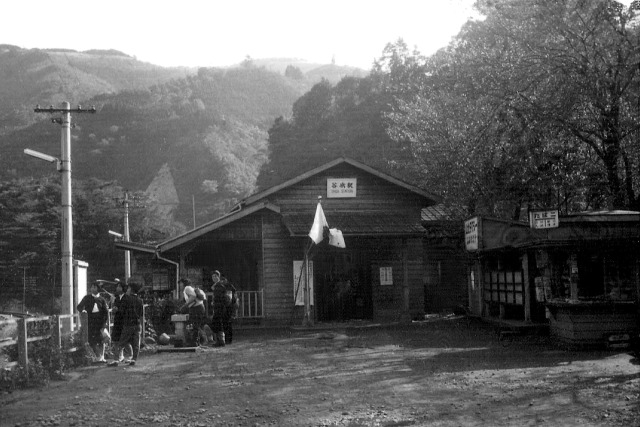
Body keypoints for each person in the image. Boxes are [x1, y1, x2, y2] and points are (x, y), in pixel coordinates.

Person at [108, 282, 144, 366]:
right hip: (137, 324)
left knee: (121, 342)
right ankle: (134, 359)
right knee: (136, 343)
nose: (126, 290)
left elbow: (121, 310)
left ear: (130, 289)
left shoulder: (127, 299)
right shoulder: (140, 300)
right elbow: (141, 314)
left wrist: (115, 307)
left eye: (128, 288)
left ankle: (116, 359)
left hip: (128, 324)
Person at [77, 281, 109, 363]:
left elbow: (106, 312)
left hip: (100, 322)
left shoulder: (102, 300)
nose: (92, 289)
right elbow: (79, 307)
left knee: (102, 339)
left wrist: (105, 323)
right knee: (92, 341)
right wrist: (83, 311)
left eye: (94, 287)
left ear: (98, 289)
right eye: (92, 287)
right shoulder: (87, 298)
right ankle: (98, 356)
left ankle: (102, 357)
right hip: (91, 322)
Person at [179, 278, 207, 346]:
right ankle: (196, 341)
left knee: (195, 325)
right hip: (199, 307)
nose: (180, 285)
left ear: (184, 283)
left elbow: (193, 296)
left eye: (180, 283)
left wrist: (185, 305)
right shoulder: (190, 288)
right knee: (196, 325)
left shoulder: (187, 288)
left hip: (196, 308)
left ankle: (195, 342)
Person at [110, 280, 132, 363]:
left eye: (119, 286)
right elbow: (114, 309)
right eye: (117, 286)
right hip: (117, 321)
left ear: (123, 288)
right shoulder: (116, 298)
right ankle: (119, 357)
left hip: (124, 322)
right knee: (116, 339)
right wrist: (114, 308)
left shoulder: (127, 298)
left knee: (124, 340)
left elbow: (126, 310)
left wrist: (118, 309)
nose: (117, 288)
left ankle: (130, 355)